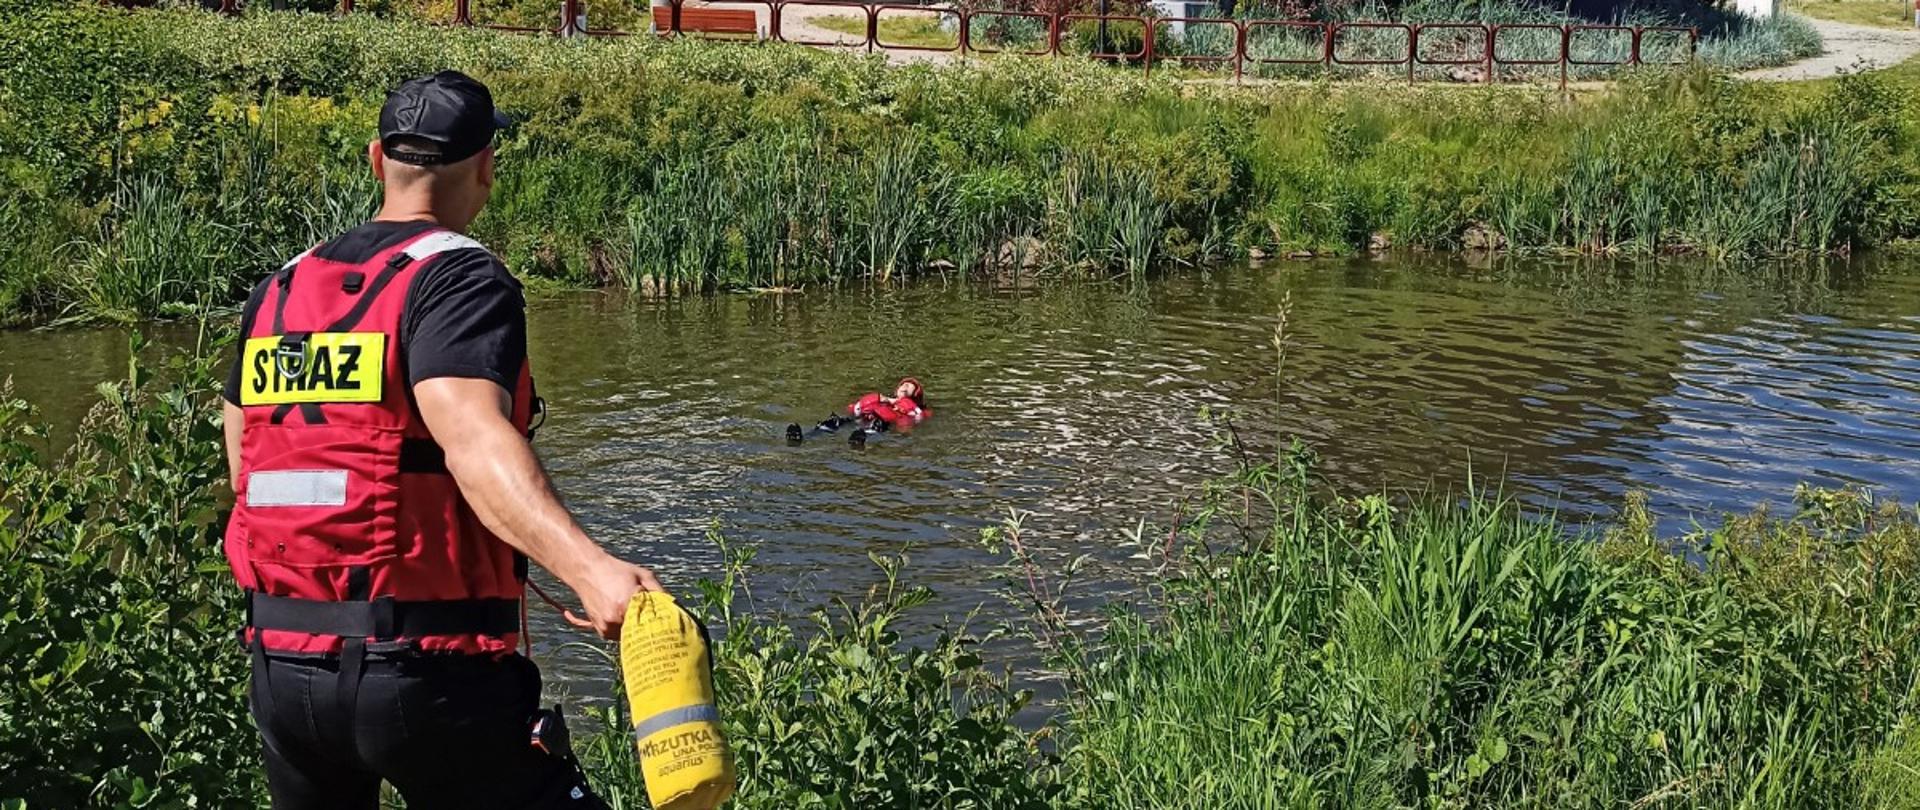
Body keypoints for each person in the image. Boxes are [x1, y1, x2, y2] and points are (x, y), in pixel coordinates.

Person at [220, 70, 661, 809]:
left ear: (377, 160)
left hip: (283, 671)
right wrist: (591, 571)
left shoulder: (280, 290)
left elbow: (246, 458)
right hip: (425, 673)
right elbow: (473, 439)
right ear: (485, 166)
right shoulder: (457, 279)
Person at [787, 377, 931, 444]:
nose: (905, 387)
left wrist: (907, 414)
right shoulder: (882, 398)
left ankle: (859, 439)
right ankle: (803, 437)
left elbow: (918, 419)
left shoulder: (915, 409)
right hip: (862, 418)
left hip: (882, 422)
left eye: (910, 387)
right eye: (904, 384)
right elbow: (854, 408)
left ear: (915, 395)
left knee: (877, 427)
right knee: (835, 422)